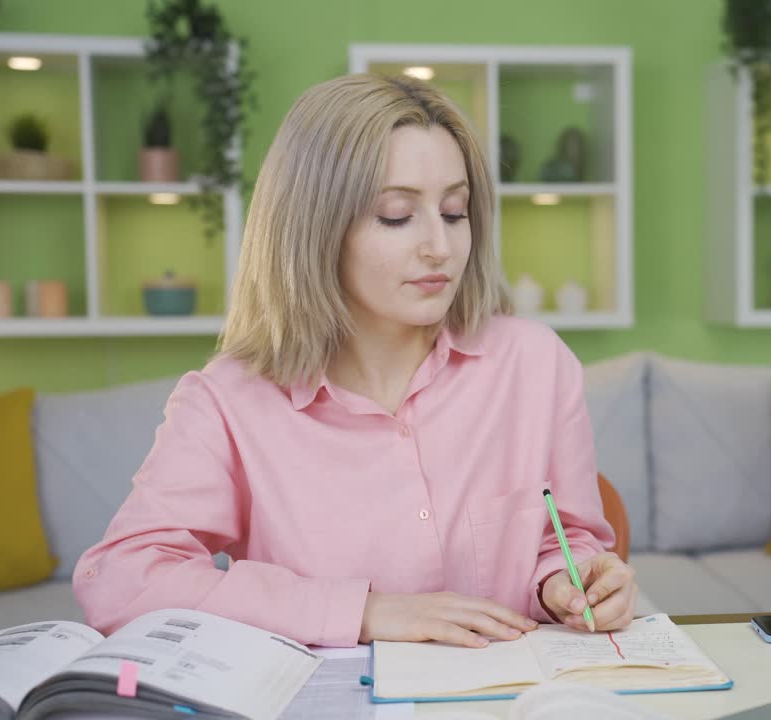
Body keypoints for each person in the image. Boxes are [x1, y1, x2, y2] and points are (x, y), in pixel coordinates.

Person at [73, 74, 637, 649]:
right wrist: (363, 613)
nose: (440, 247)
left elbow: (565, 542)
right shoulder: (227, 402)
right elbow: (120, 580)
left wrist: (567, 584)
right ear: (314, 227)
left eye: (454, 211)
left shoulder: (536, 365)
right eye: (396, 215)